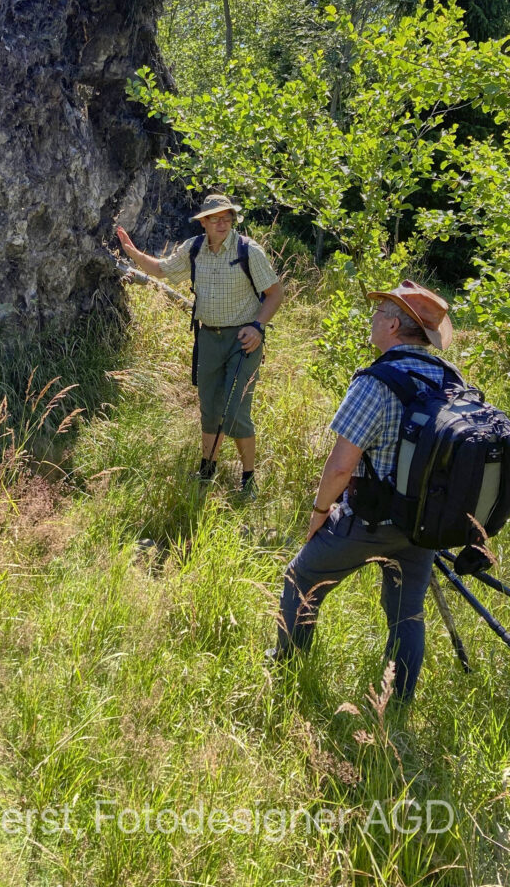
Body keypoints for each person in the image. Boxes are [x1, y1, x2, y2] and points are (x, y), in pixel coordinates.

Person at [271, 280, 455, 702]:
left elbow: (339, 467)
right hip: (422, 525)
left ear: (393, 326)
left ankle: (286, 670)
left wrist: (319, 514)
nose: (371, 321)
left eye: (377, 315)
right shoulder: (448, 378)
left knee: (302, 576)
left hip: (372, 521)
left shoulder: (377, 381)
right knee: (407, 614)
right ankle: (399, 704)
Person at [117, 193, 284, 491]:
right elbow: (162, 270)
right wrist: (133, 253)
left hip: (243, 340)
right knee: (210, 408)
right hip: (207, 338)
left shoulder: (249, 251)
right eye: (216, 218)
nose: (223, 223)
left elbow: (275, 293)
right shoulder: (193, 249)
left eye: (227, 217)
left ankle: (248, 480)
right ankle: (207, 472)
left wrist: (258, 327)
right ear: (203, 222)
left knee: (235, 411)